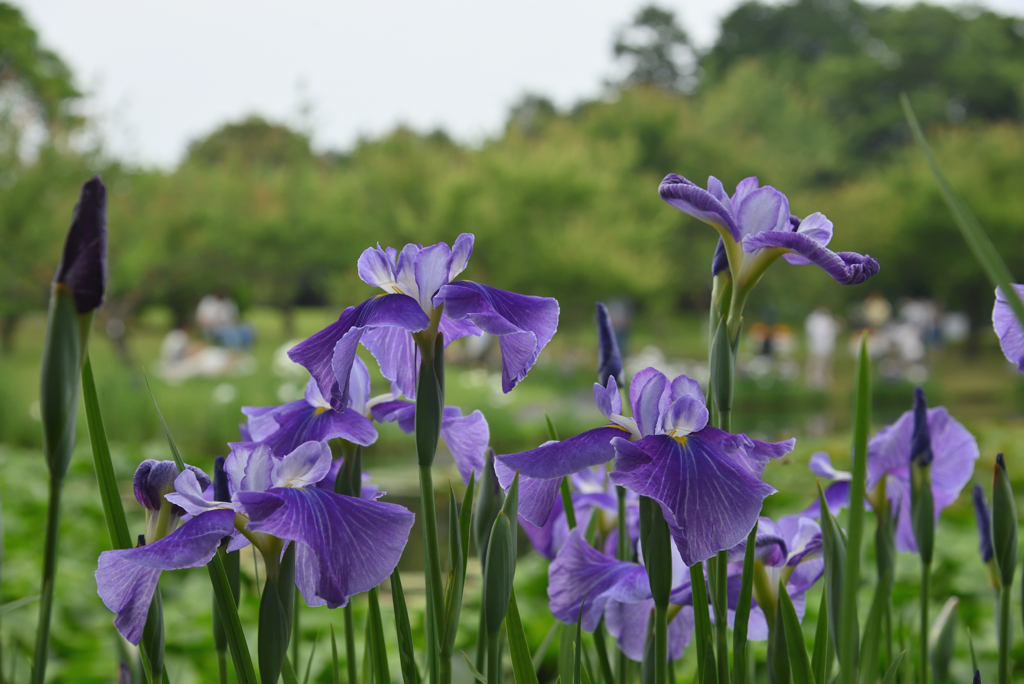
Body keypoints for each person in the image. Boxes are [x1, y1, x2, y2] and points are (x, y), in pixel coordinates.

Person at [805, 307, 838, 390]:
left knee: (826, 363)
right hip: (817, 344)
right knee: (816, 362)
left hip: (826, 344)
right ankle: (814, 379)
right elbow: (811, 331)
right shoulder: (813, 319)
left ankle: (825, 379)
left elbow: (833, 329)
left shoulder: (828, 319)